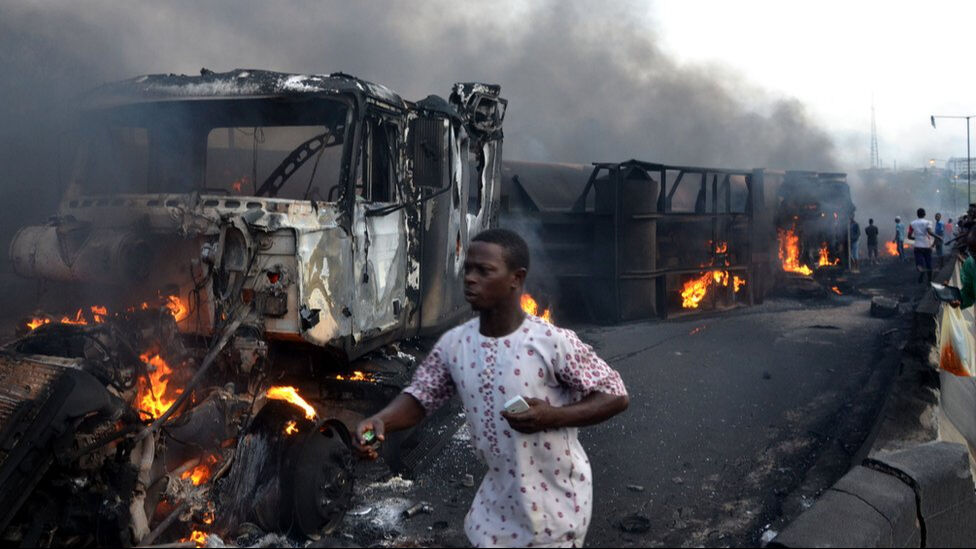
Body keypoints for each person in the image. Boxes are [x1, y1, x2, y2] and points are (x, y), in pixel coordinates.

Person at [354, 228, 629, 548]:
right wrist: (381, 421)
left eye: (484, 271)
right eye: (468, 268)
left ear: (516, 278)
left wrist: (552, 416)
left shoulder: (551, 342)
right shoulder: (456, 345)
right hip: (493, 508)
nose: (470, 278)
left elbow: (615, 393)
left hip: (554, 510)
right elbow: (420, 397)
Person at [909, 208, 937, 284]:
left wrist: (917, 238)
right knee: (929, 263)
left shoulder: (912, 223)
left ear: (917, 214)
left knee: (919, 263)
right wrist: (938, 237)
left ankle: (921, 272)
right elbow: (930, 232)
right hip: (927, 246)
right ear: (924, 214)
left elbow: (909, 236)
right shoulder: (928, 222)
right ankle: (929, 280)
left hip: (918, 246)